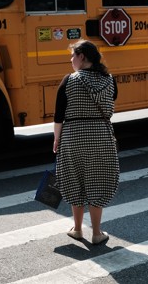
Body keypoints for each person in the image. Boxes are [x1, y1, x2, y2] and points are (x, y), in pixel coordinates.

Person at [53, 39, 119, 246]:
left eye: (73, 56)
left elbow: (58, 115)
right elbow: (113, 100)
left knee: (75, 179)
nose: (71, 60)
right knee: (98, 181)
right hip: (101, 135)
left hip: (73, 136)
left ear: (82, 57)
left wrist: (56, 139)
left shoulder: (69, 80)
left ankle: (78, 229)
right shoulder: (109, 80)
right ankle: (97, 233)